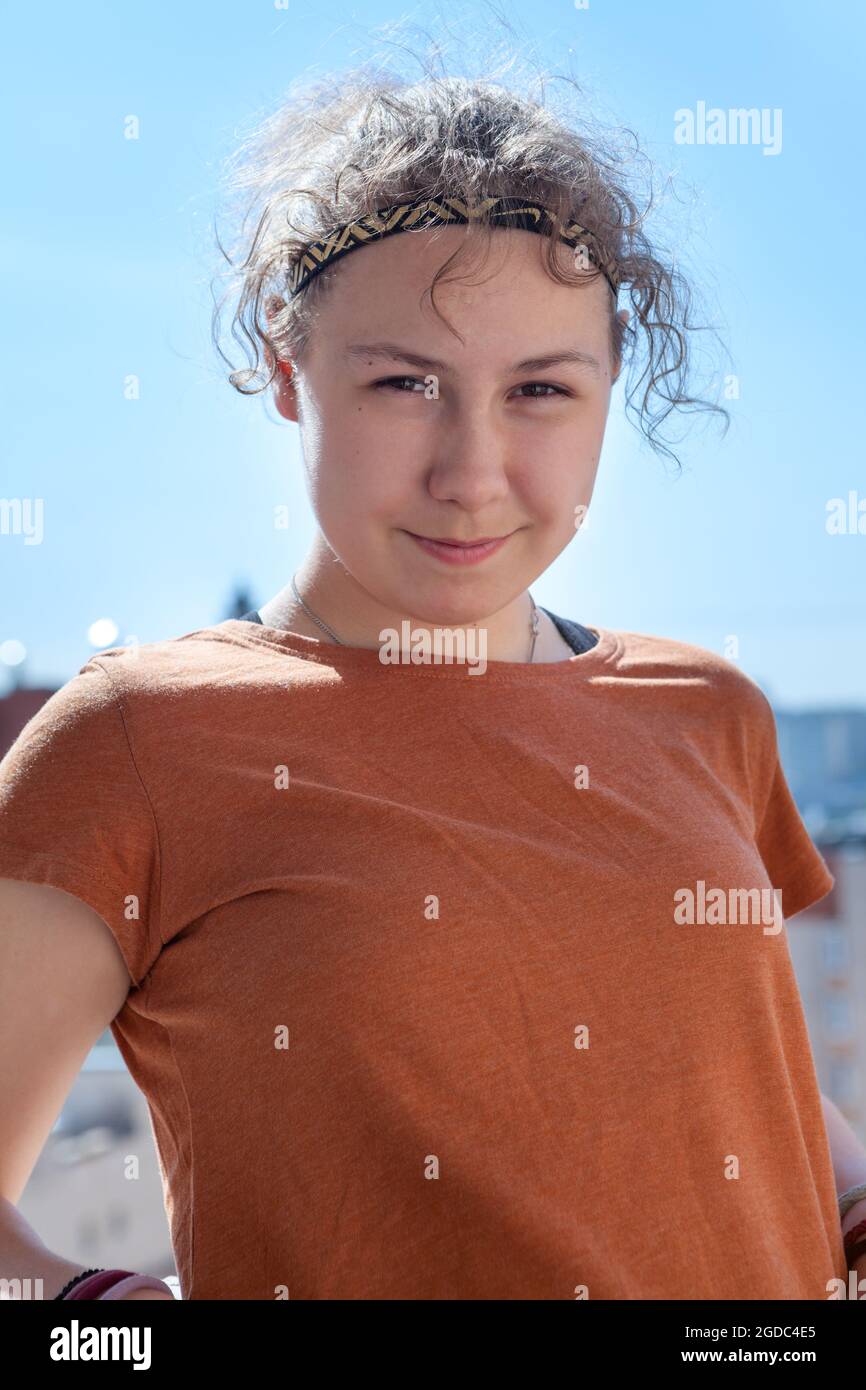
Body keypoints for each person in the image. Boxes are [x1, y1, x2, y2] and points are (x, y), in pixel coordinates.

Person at [2, 55, 866, 1301]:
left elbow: (747, 1086)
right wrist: (100, 1327)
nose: (471, 471)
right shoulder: (132, 741)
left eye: (538, 392)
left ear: (608, 393)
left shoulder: (708, 711)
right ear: (289, 370)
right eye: (403, 382)